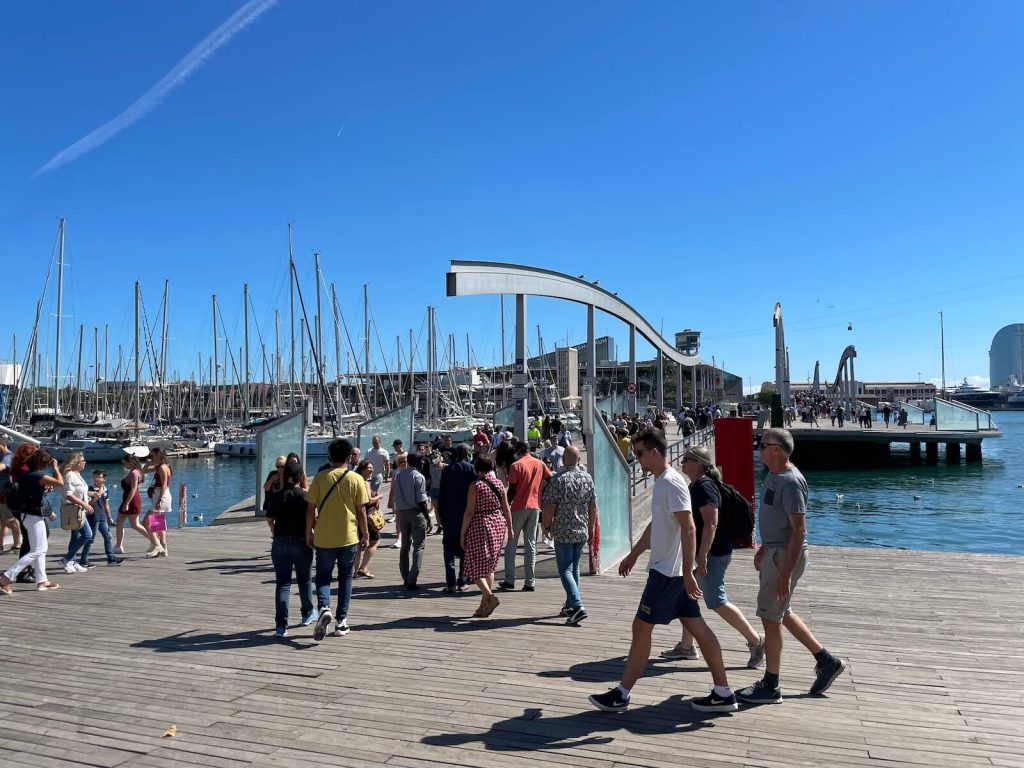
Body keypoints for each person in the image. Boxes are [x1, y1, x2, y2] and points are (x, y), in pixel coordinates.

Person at [587, 428, 737, 714]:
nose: (637, 460)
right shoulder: (664, 482)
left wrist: (690, 570)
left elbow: (690, 526)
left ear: (655, 452)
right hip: (672, 571)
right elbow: (657, 525)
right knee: (698, 627)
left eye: (640, 454)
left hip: (669, 574)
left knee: (641, 627)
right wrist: (634, 554)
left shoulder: (671, 483)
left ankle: (622, 693)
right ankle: (723, 691)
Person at [737, 428, 846, 704]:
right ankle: (826, 661)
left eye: (762, 445)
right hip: (774, 551)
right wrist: (763, 546)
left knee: (770, 619)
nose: (758, 448)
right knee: (780, 612)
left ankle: (770, 685)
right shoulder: (773, 476)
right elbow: (778, 521)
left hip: (784, 556)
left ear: (777, 449)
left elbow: (799, 531)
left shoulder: (791, 481)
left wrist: (785, 572)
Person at [661, 446, 764, 668]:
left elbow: (711, 522)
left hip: (713, 553)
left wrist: (703, 554)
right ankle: (686, 646)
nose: (683, 463)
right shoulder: (697, 485)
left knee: (716, 600)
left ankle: (756, 641)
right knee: (687, 596)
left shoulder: (705, 486)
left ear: (698, 463)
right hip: (707, 552)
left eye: (687, 459)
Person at [307, 438, 369, 640]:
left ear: (329, 456)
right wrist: (365, 534)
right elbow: (361, 512)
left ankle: (324, 606)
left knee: (323, 576)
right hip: (348, 536)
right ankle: (341, 622)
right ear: (350, 457)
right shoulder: (356, 479)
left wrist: (309, 531)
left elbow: (310, 509)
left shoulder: (320, 478)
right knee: (345, 578)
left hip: (324, 537)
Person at [540, 446, 597, 625]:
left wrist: (546, 525)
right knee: (574, 568)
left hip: (564, 531)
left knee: (565, 569)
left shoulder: (558, 480)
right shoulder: (587, 479)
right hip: (581, 530)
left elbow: (549, 507)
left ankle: (578, 606)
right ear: (579, 460)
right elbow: (592, 506)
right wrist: (591, 528)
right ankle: (570, 604)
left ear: (563, 460)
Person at [0, 449, 63, 593]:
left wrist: (43, 489)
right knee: (37, 550)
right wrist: (56, 468)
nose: (48, 466)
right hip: (33, 516)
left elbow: (32, 493)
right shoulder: (37, 475)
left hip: (28, 515)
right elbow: (60, 482)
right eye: (47, 463)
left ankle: (42, 581)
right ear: (42, 463)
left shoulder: (27, 475)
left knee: (41, 549)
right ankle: (6, 577)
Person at [461, 454, 513, 618]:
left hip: (481, 524)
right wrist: (510, 529)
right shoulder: (499, 484)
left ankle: (490, 597)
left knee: (473, 565)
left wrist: (462, 533)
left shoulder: (475, 486)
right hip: (498, 524)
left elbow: (469, 512)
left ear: (477, 468)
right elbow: (506, 509)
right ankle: (483, 605)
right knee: (489, 566)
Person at [267, 462, 316, 638]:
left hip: (280, 541)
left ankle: (281, 626)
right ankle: (307, 613)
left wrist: (273, 529)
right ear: (300, 477)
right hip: (301, 541)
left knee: (283, 583)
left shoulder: (278, 495)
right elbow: (313, 517)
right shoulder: (304, 496)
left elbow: (270, 517)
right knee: (304, 580)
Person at [499, 443, 552, 592]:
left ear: (519, 450)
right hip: (535, 507)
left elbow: (512, 491)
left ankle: (510, 580)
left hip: (518, 507)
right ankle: (530, 582)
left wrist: (505, 506)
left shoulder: (516, 465)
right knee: (531, 544)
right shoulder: (540, 464)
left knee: (511, 543)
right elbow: (550, 478)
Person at [387, 451, 429, 590]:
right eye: (421, 460)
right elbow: (421, 500)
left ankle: (405, 576)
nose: (423, 462)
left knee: (405, 546)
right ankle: (412, 578)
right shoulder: (418, 476)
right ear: (417, 462)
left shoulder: (398, 475)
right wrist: (428, 517)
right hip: (416, 513)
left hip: (402, 513)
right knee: (419, 546)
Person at [437, 444, 475, 593]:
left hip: (449, 514)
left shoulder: (448, 469)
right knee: (465, 546)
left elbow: (442, 493)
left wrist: (440, 514)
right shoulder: (470, 469)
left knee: (448, 549)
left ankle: (450, 583)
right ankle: (462, 580)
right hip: (466, 513)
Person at [58, 452, 94, 573]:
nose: (85, 462)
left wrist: (89, 494)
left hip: (79, 509)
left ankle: (72, 561)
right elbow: (68, 495)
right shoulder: (69, 475)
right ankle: (67, 559)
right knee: (87, 534)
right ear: (76, 462)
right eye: (83, 460)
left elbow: (78, 491)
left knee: (76, 536)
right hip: (74, 509)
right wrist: (84, 504)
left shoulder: (76, 474)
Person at [116, 453, 157, 554]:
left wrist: (127, 503)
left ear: (130, 462)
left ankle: (155, 541)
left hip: (131, 501)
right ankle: (118, 546)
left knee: (134, 524)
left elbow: (133, 489)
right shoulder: (137, 471)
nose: (124, 465)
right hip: (129, 500)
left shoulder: (135, 472)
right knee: (124, 523)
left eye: (125, 463)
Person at [82, 469, 121, 566]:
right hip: (93, 516)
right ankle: (83, 559)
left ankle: (111, 558)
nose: (95, 478)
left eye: (98, 476)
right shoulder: (90, 489)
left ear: (104, 479)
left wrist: (109, 517)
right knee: (91, 538)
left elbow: (106, 504)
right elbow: (88, 504)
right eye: (94, 476)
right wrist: (96, 497)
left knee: (108, 537)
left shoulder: (105, 489)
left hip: (102, 516)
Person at [354, 459, 383, 579]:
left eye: (372, 467)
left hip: (357, 516)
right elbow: (368, 500)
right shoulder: (364, 482)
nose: (371, 470)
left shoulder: (357, 480)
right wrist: (379, 496)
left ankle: (355, 570)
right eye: (369, 468)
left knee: (359, 544)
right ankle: (363, 567)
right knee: (375, 541)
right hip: (367, 516)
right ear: (363, 469)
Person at [143, 447, 172, 557]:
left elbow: (164, 484)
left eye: (152, 456)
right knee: (158, 522)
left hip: (161, 495)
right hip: (160, 494)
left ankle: (157, 545)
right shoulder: (160, 466)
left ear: (159, 455)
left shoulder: (162, 468)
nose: (151, 458)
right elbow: (144, 471)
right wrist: (147, 463)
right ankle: (163, 546)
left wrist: (160, 499)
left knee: (146, 521)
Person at [0, 437, 21, 554]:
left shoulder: (8, 456)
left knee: (11, 520)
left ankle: (17, 545)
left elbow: (2, 467)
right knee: (3, 521)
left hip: (6, 494)